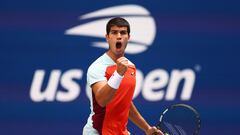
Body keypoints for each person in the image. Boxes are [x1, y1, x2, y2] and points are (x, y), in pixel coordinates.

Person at [83, 17, 163, 135]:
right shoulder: (97, 67)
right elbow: (102, 100)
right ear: (107, 37)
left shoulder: (130, 67)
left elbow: (125, 103)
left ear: (128, 38)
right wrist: (118, 74)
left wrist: (147, 128)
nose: (119, 36)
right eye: (114, 32)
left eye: (123, 32)